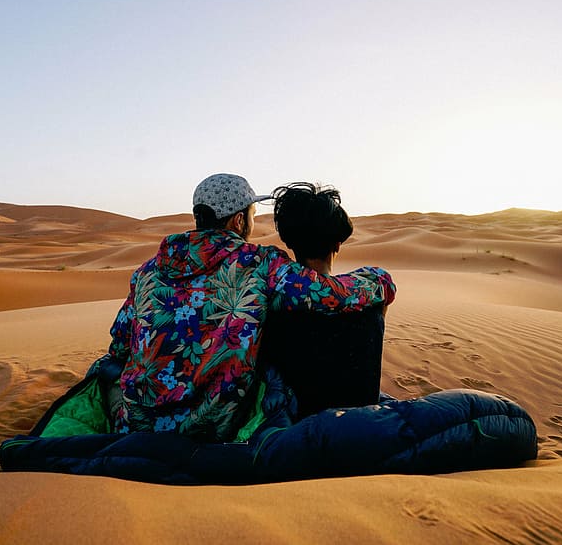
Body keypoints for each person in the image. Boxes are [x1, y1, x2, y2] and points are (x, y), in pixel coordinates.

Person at [104, 173, 395, 442]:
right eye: (253, 215)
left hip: (134, 424)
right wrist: (380, 280)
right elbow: (328, 293)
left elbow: (120, 344)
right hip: (210, 427)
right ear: (239, 222)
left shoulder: (148, 271)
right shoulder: (258, 263)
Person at [258, 182, 386, 418]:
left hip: (296, 430)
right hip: (364, 424)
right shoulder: (373, 295)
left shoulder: (271, 307)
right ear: (337, 244)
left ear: (289, 243)